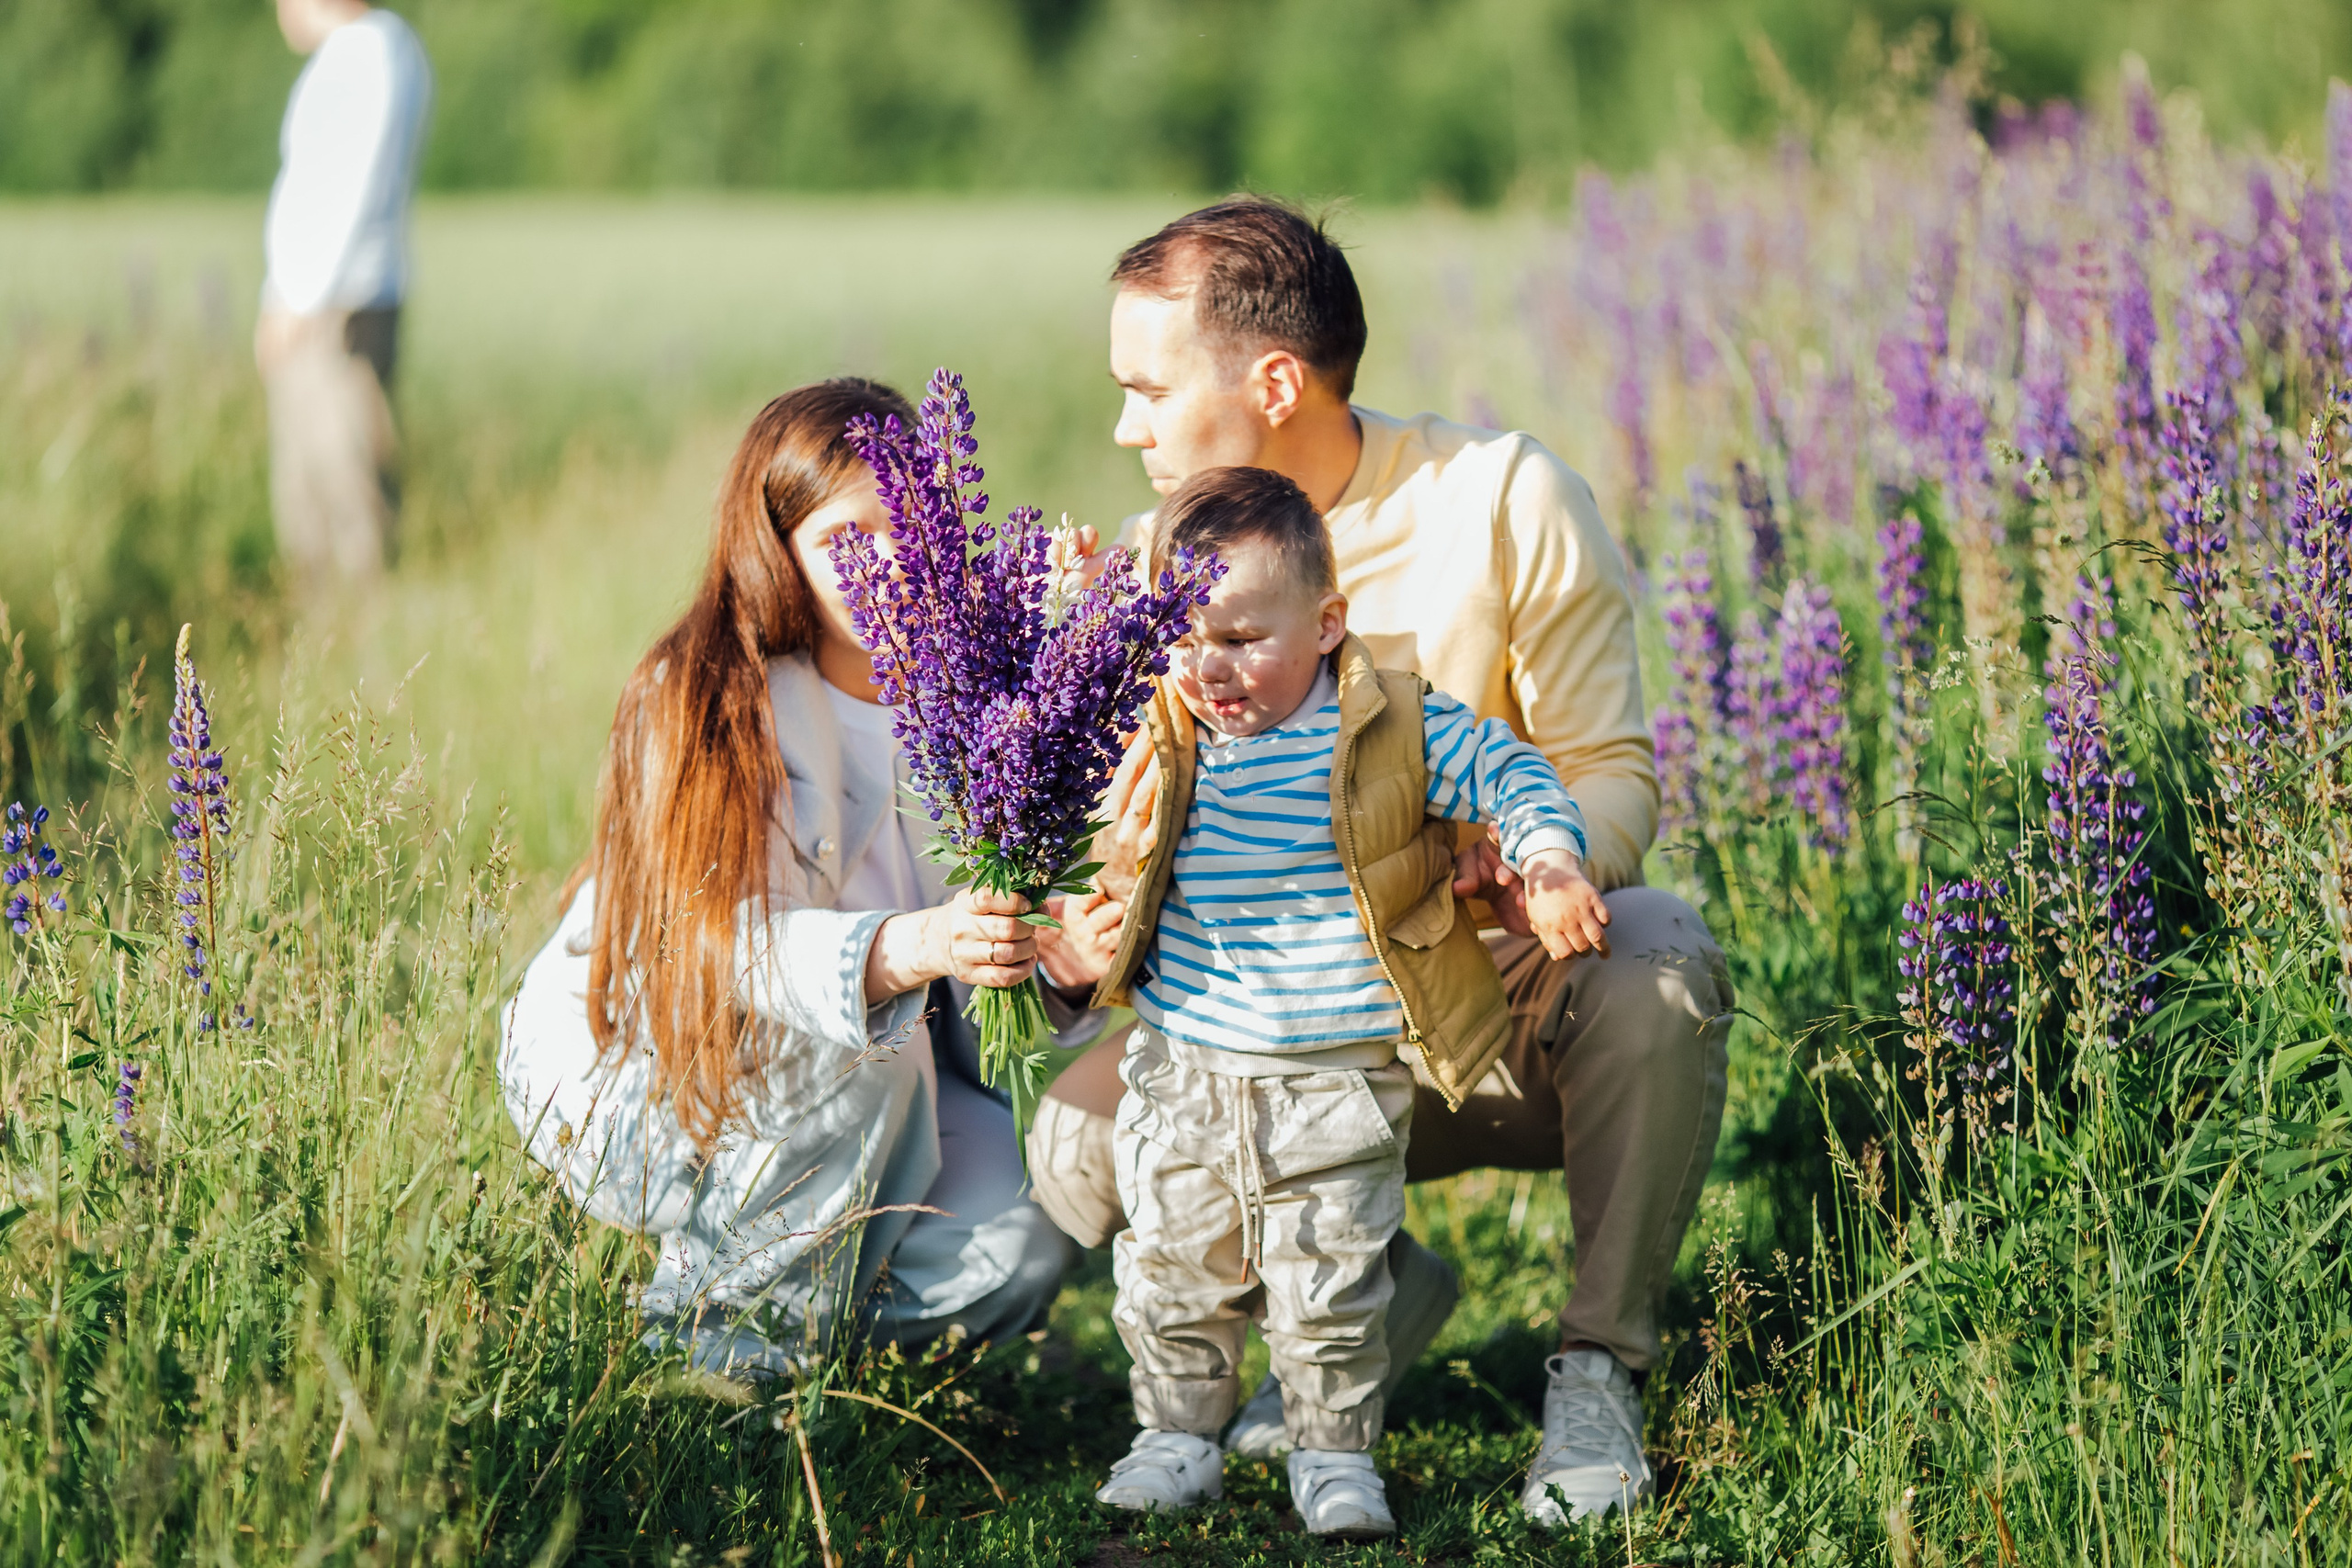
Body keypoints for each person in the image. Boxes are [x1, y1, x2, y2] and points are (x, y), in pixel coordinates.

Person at [1025, 197, 1735, 1528]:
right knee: (1076, 1139)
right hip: (1263, 1035)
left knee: (1663, 963)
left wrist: (1539, 870)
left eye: (1147, 388)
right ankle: (1357, 1283)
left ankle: (1596, 1365)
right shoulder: (1156, 568)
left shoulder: (1501, 498)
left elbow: (1611, 766)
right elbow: (1143, 852)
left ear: (1275, 382)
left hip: (1480, 1007)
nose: (1129, 427)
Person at [500, 381, 1086, 1372]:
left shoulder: (975, 693)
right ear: (780, 552)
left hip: (881, 1094)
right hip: (648, 1074)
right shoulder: (702, 691)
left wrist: (1055, 964)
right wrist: (915, 946)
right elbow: (712, 944)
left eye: (910, 526)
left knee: (1022, 1238)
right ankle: (724, 1361)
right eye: (846, 539)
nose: (890, 564)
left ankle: (809, 1333)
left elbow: (974, 990)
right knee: (865, 1046)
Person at [1087, 466, 1608, 1540]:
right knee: (1173, 1269)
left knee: (1328, 1282)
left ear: (1327, 625)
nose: (1208, 668)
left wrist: (1548, 861)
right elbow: (1070, 785)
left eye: (1239, 639)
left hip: (1333, 1077)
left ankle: (1332, 1453)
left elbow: (1516, 775)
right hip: (1184, 1063)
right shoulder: (1162, 722)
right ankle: (1177, 1438)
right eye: (1183, 638)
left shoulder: (1390, 726)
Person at [255, 0, 433, 589]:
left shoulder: (370, 52)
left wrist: (296, 301)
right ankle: (327, 634)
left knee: (346, 484)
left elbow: (344, 195)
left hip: (336, 309)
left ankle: (361, 642)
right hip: (321, 303)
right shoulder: (361, 53)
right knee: (310, 486)